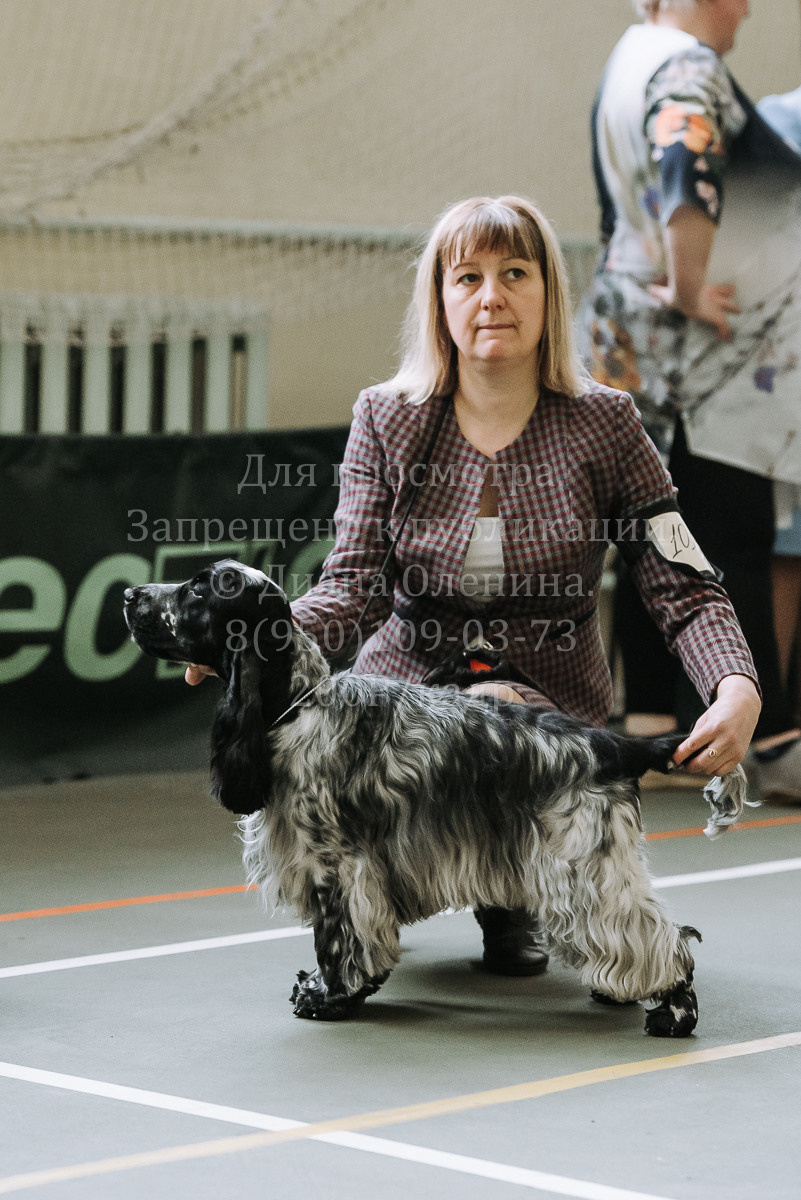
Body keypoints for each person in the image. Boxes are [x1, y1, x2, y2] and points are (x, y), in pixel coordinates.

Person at [188, 195, 761, 974]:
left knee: (542, 818)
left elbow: (680, 582)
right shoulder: (386, 419)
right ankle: (398, 891)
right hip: (406, 707)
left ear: (548, 293)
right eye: (467, 278)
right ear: (440, 301)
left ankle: (512, 894)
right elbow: (350, 587)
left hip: (549, 703)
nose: (491, 297)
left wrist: (733, 685)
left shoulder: (607, 424)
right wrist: (254, 642)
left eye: (514, 273)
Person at [580, 0, 801, 797]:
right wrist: (688, 283)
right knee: (727, 531)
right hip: (688, 357)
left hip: (625, 334)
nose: (746, 5)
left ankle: (648, 726)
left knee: (647, 525)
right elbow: (685, 166)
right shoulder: (686, 63)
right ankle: (771, 739)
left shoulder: (629, 51)